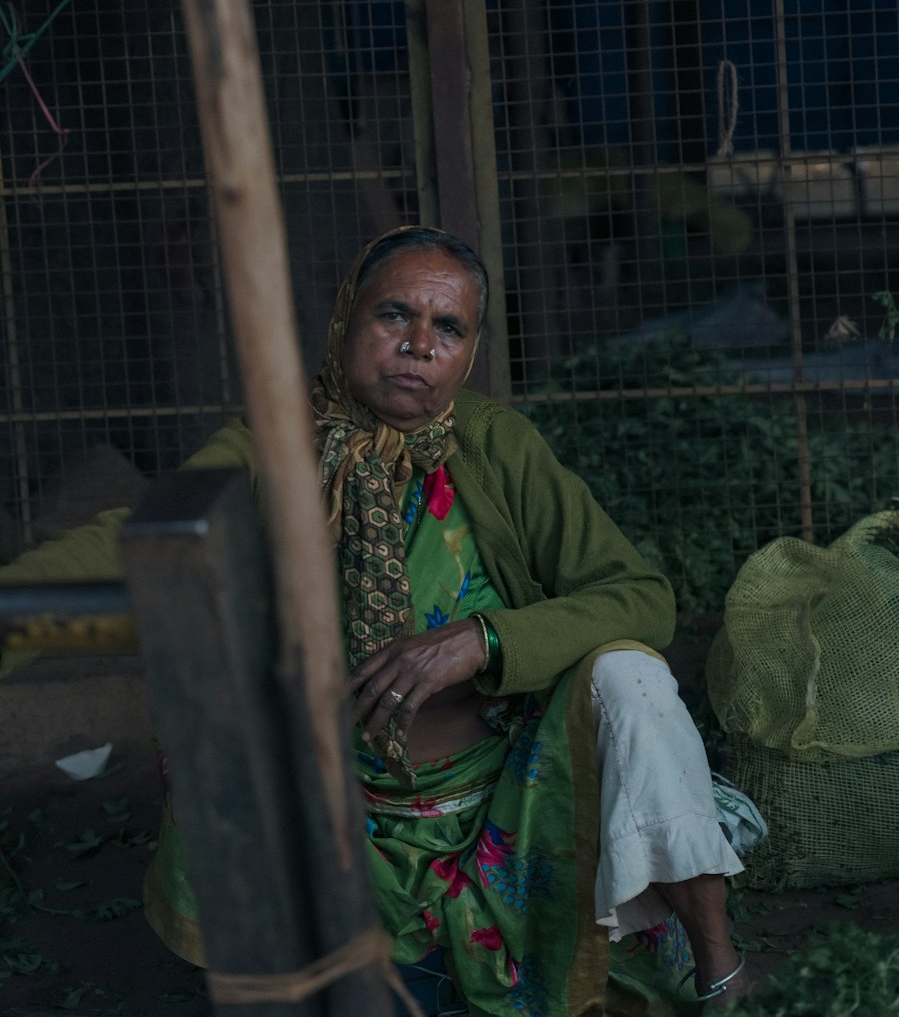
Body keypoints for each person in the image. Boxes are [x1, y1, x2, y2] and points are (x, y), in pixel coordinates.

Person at [1, 226, 757, 1014]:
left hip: (508, 803)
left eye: (449, 328)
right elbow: (150, 534)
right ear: (345, 321)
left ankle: (720, 967)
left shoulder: (495, 445)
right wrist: (15, 612)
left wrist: (485, 640)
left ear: (467, 355)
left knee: (630, 673)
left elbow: (639, 594)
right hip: (335, 818)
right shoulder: (273, 444)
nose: (419, 345)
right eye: (394, 315)